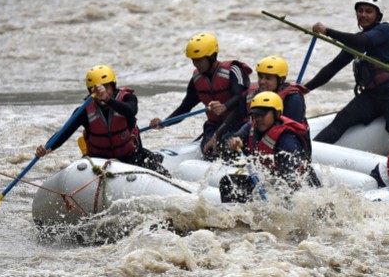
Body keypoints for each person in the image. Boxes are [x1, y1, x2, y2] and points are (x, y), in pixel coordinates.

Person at [303, 0, 389, 148]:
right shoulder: (356, 41)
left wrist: (327, 31)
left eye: (369, 11)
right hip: (372, 95)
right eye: (360, 11)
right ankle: (308, 156)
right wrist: (305, 88)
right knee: (341, 120)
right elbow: (334, 66)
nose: (363, 15)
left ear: (378, 15)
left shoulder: (386, 30)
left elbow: (363, 40)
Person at [35, 65, 168, 175]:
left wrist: (107, 99)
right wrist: (47, 148)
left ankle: (157, 158)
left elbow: (131, 111)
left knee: (163, 172)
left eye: (105, 88)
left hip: (131, 157)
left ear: (113, 87)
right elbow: (63, 133)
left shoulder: (128, 99)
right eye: (96, 90)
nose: (100, 93)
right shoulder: (83, 111)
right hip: (98, 160)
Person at [149, 33, 251, 160]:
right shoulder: (196, 80)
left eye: (199, 59)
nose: (195, 64)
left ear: (212, 56)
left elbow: (240, 97)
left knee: (225, 146)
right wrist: (164, 122)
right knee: (210, 151)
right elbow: (185, 107)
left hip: (239, 124)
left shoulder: (233, 71)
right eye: (193, 60)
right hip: (214, 127)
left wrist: (224, 106)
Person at [221, 92, 320, 202]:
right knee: (228, 182)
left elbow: (292, 180)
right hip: (273, 183)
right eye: (255, 115)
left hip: (301, 189)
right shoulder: (252, 126)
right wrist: (233, 141)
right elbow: (231, 138)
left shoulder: (288, 141)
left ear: (277, 114)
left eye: (262, 115)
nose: (258, 119)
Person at [245, 55, 309, 124]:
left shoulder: (292, 99)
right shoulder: (254, 93)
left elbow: (292, 128)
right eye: (260, 77)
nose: (262, 82)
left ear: (281, 79)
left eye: (268, 78)